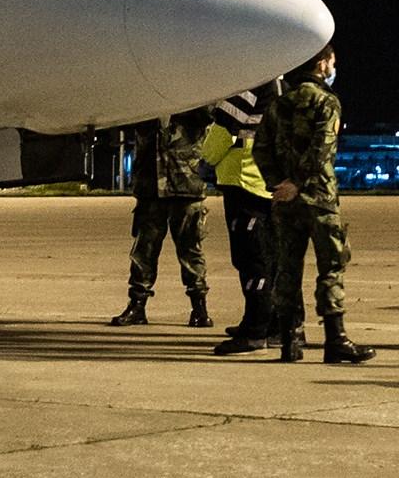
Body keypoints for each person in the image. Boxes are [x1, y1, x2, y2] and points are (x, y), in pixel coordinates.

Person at [254, 44, 374, 363]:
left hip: (286, 202)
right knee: (331, 265)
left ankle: (289, 341)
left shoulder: (279, 103)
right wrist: (298, 182)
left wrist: (278, 184)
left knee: (287, 268)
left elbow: (260, 149)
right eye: (332, 61)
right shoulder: (326, 101)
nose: (333, 68)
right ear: (322, 63)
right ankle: (336, 339)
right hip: (319, 197)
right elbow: (323, 149)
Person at [108, 109, 211, 327]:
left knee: (190, 250)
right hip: (151, 186)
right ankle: (137, 305)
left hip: (186, 185)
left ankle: (199, 307)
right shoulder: (145, 105)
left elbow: (209, 117)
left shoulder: (195, 103)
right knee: (144, 250)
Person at [204, 82, 281, 355]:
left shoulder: (251, 85)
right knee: (271, 260)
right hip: (269, 183)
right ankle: (275, 326)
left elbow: (224, 130)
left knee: (251, 260)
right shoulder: (282, 86)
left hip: (245, 181)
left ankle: (255, 332)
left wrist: (206, 155)